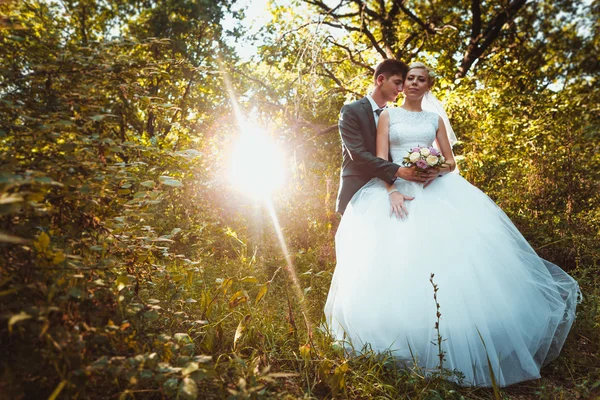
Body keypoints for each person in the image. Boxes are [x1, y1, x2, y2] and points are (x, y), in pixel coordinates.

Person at [324, 62, 581, 387]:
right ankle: (395, 335)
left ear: (427, 86)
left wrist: (433, 169)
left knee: (453, 259)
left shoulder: (431, 118)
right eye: (404, 80)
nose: (408, 85)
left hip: (431, 189)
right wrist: (395, 184)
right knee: (386, 259)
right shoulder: (371, 113)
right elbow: (372, 157)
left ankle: (460, 336)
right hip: (387, 188)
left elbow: (449, 161)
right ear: (386, 81)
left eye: (416, 80)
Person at [336, 59, 438, 215]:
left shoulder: (395, 117)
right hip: (358, 189)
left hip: (393, 188)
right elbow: (358, 154)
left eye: (402, 84)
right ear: (380, 80)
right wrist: (399, 171)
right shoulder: (351, 110)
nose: (400, 89)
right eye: (397, 83)